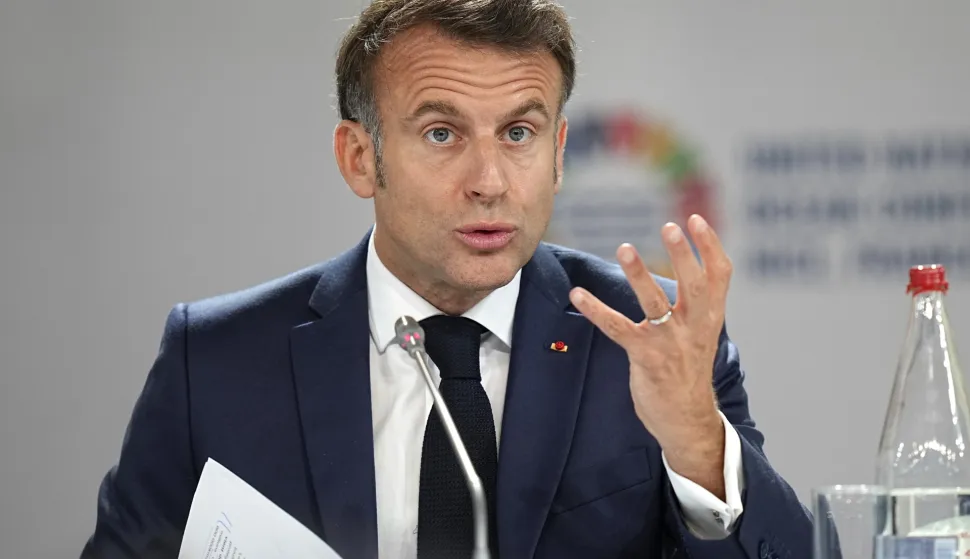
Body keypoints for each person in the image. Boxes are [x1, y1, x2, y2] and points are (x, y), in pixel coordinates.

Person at [81, 0, 812, 557]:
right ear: (360, 157)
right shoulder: (215, 362)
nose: (490, 181)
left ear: (559, 152)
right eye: (442, 133)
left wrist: (697, 447)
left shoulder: (652, 338)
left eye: (519, 133)